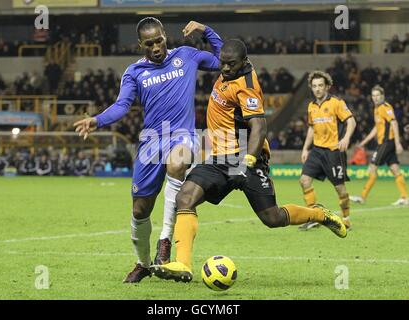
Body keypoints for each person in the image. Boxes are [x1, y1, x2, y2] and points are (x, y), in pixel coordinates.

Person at [151, 40, 347, 283]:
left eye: (230, 64)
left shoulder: (247, 86)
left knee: (272, 218)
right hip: (218, 158)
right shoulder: (230, 68)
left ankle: (318, 215)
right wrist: (203, 32)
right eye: (222, 62)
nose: (224, 68)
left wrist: (249, 160)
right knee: (185, 197)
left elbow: (259, 126)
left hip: (244, 157)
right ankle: (183, 263)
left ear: (243, 62)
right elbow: (222, 47)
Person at [73, 17, 223, 283]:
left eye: (159, 41)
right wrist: (96, 120)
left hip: (182, 134)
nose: (156, 47)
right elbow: (122, 106)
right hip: (151, 142)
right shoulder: (134, 72)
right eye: (150, 43)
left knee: (177, 164)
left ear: (165, 36)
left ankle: (165, 242)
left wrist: (204, 30)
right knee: (140, 210)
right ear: (141, 44)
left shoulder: (186, 56)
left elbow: (222, 60)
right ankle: (143, 263)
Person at [298, 71, 356, 231]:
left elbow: (351, 121)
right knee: (304, 180)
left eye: (320, 85)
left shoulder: (336, 103)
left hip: (333, 152)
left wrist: (346, 138)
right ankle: (314, 216)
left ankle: (346, 219)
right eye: (314, 86)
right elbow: (311, 128)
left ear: (327, 87)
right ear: (311, 87)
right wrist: (305, 148)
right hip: (317, 151)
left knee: (340, 188)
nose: (317, 89)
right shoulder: (311, 106)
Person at [350, 85, 408, 205]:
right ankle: (405, 197)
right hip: (386, 143)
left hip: (386, 143)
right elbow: (376, 128)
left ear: (383, 96)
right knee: (395, 169)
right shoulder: (376, 109)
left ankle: (362, 197)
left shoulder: (385, 107)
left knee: (372, 168)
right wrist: (363, 142)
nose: (375, 98)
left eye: (378, 95)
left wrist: (397, 143)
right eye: (373, 96)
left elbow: (394, 123)